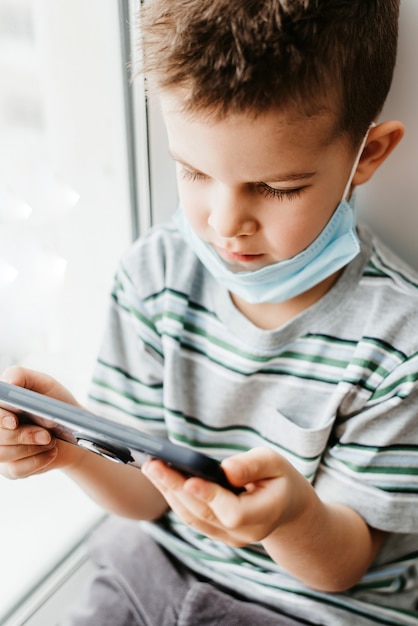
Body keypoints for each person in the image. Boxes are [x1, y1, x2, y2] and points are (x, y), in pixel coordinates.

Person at [1, 1, 418, 624]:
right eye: (192, 171)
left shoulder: (399, 342)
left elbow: (342, 568)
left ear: (366, 155)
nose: (225, 223)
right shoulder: (155, 275)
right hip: (151, 573)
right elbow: (148, 498)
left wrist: (291, 517)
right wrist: (69, 446)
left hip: (303, 610)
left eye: (277, 187)